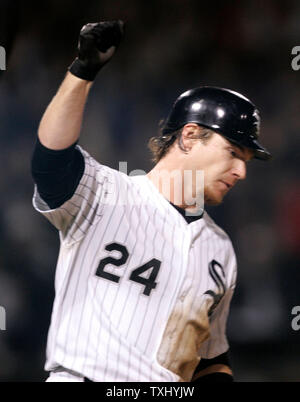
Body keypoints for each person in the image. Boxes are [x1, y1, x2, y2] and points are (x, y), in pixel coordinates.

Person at [31, 21, 271, 382]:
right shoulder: (106, 193)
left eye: (247, 161)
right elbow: (50, 159)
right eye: (233, 152)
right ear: (190, 136)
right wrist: (83, 71)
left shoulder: (220, 250)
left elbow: (209, 357)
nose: (241, 171)